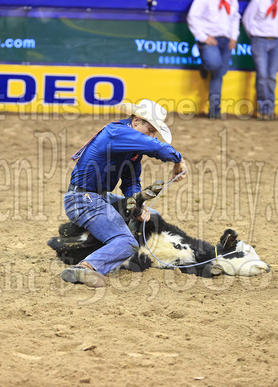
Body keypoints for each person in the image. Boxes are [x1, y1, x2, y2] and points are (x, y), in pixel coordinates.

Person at [60, 99, 187, 288]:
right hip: (84, 200)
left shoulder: (128, 145)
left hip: (95, 198)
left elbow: (131, 181)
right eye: (150, 130)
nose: (152, 136)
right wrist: (179, 159)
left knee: (152, 217)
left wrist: (138, 205)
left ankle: (121, 255)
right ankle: (86, 266)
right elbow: (156, 147)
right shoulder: (117, 132)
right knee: (126, 242)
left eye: (154, 132)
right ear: (136, 121)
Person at [187, 0, 241, 119]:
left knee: (219, 73)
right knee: (214, 64)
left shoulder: (233, 1)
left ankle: (215, 110)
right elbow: (192, 16)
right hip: (209, 38)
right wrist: (203, 36)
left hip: (226, 40)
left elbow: (235, 18)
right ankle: (206, 63)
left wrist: (234, 36)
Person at [242, 0, 278, 120]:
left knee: (272, 76)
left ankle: (269, 109)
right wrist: (255, 36)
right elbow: (247, 19)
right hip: (259, 40)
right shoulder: (258, 1)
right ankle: (263, 109)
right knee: (262, 75)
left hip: (277, 41)